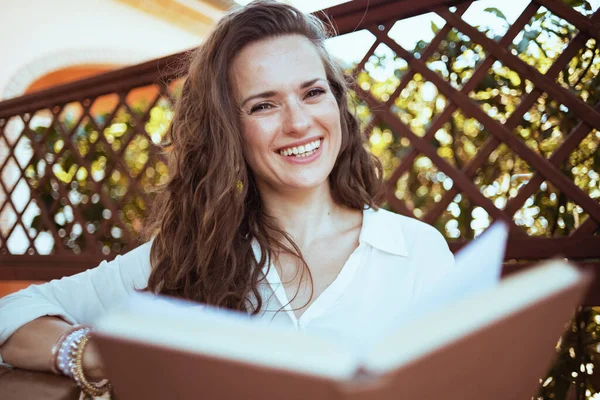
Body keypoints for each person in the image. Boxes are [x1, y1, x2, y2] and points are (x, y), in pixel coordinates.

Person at [0, 0, 454, 396]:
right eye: (264, 104)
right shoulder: (186, 256)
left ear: (337, 103)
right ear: (229, 130)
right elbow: (11, 315)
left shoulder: (416, 251)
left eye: (313, 93)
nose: (298, 122)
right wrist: (97, 354)